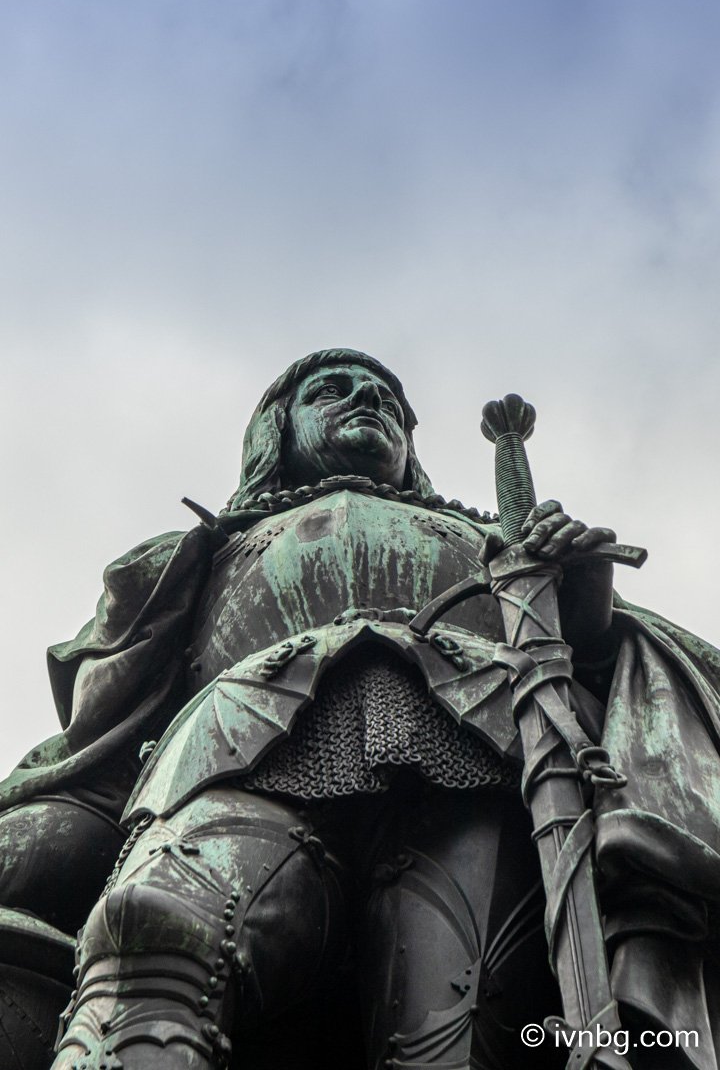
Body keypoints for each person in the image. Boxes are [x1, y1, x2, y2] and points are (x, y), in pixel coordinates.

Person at [0, 349, 718, 1070]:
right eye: (332, 391)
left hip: (477, 764)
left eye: (386, 400)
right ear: (276, 431)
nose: (365, 401)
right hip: (235, 758)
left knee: (453, 1033)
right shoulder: (204, 551)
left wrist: (581, 587)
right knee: (149, 935)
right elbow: (105, 733)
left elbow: (589, 667)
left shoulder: (489, 540)